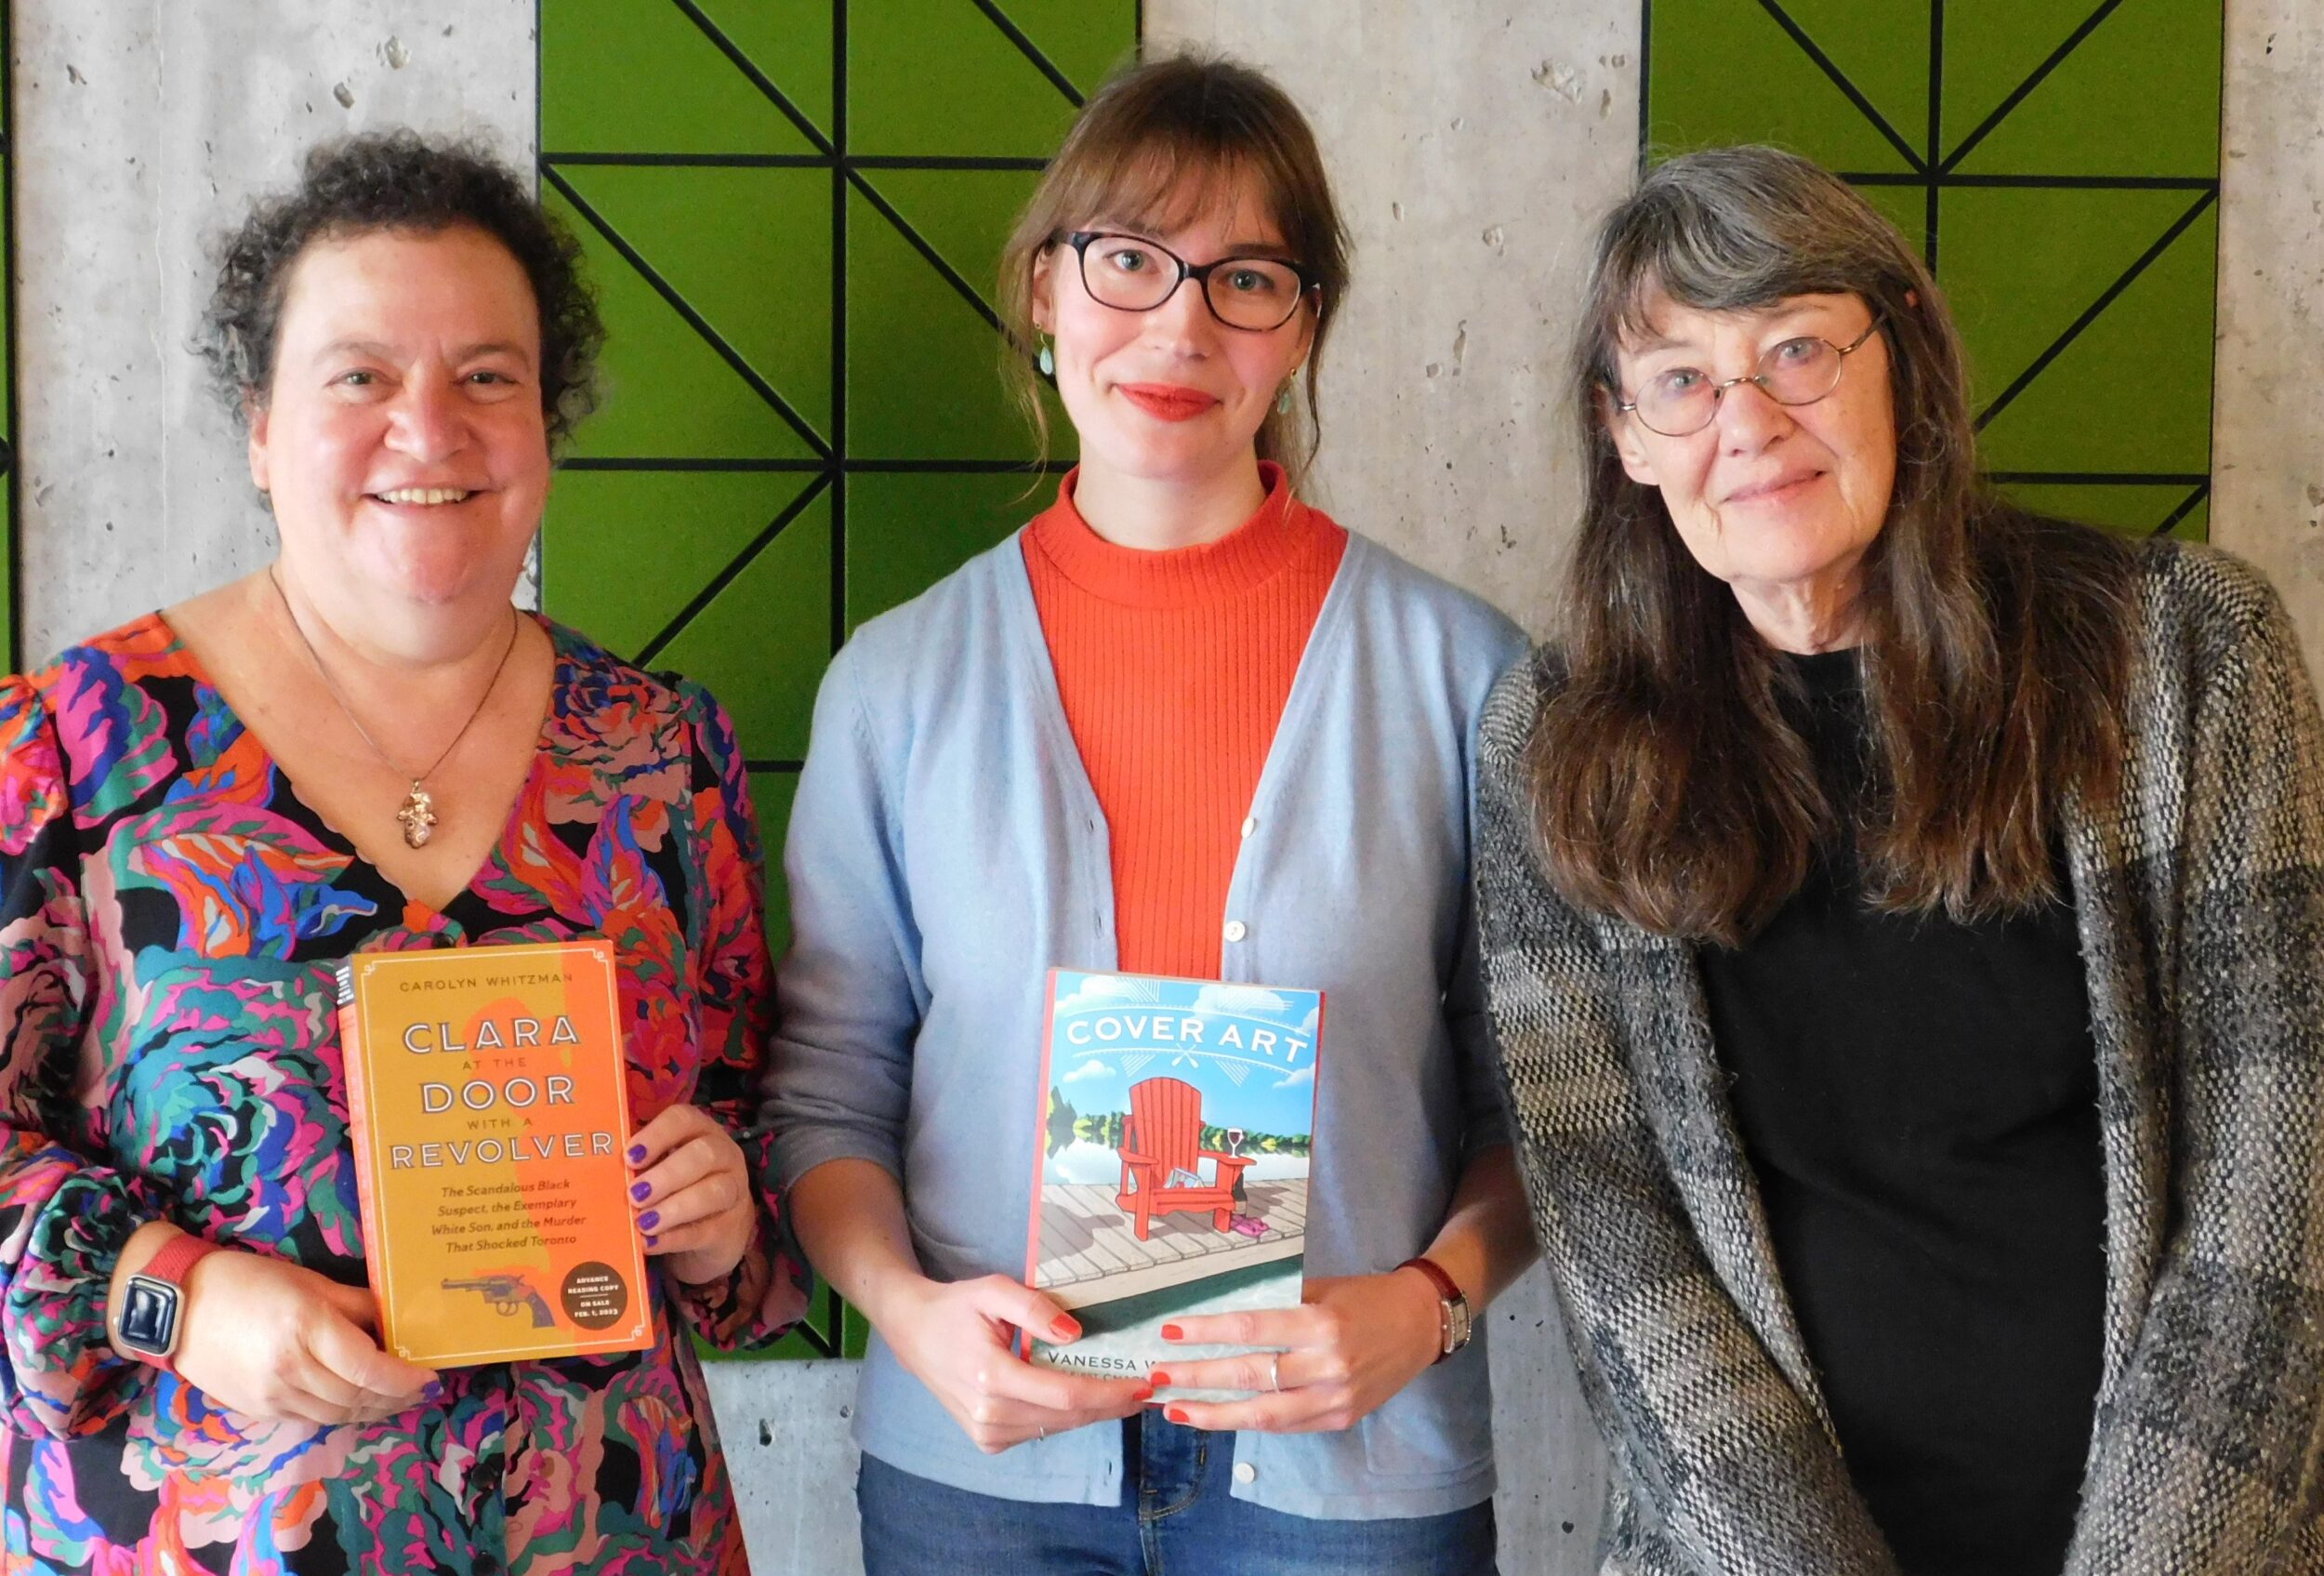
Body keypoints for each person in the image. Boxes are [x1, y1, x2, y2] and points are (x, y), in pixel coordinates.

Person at [1472, 144, 2324, 1575]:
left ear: (1904, 360)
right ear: (1623, 434)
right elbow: (1611, 1220)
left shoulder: (2186, 655)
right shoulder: (1559, 742)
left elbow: (2281, 1173)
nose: (1745, 421)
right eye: (1679, 379)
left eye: (1797, 348)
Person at [764, 53, 1536, 1576]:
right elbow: (829, 1091)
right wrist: (913, 1319)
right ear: (1045, 290)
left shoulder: (1466, 676)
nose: (1178, 325)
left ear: (1302, 326)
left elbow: (1551, 1096)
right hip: (985, 1474)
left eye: (1245, 277)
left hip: (1354, 1471)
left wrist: (1429, 1302)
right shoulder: (897, 685)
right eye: (1129, 261)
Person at [0, 132, 806, 1573]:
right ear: (260, 425)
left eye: (487, 376)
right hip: (210, 1538)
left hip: (616, 1535)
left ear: (547, 423)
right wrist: (177, 1295)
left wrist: (724, 1208)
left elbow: (761, 1119)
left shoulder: (663, 754)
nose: (428, 431)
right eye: (360, 376)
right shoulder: (73, 746)